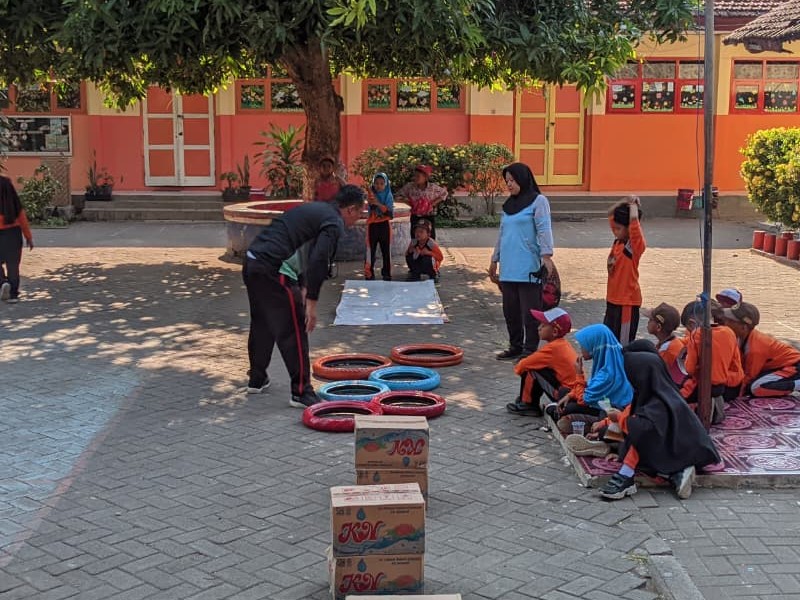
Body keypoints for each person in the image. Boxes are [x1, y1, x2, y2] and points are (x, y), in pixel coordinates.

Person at [243, 184, 366, 407]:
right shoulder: (334, 222)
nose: (359, 218)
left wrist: (302, 285)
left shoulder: (319, 210)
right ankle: (301, 392)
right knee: (294, 330)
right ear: (350, 209)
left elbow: (298, 245)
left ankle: (257, 379)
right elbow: (318, 259)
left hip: (253, 262)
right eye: (360, 212)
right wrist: (311, 304)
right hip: (274, 270)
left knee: (262, 322)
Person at [595, 347, 721, 501]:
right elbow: (633, 416)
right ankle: (675, 473)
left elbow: (642, 428)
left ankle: (626, 475)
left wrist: (619, 418)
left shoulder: (659, 402)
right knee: (622, 436)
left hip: (687, 451)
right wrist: (613, 420)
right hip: (668, 446)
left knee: (638, 432)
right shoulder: (652, 391)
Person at [488, 163, 554, 361]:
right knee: (510, 311)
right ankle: (515, 346)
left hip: (529, 266)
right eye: (507, 181)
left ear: (523, 179)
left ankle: (530, 348)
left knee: (530, 312)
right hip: (508, 266)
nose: (509, 184)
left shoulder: (538, 201)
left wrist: (546, 256)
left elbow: (544, 229)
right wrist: (494, 259)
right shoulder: (508, 206)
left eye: (512, 180)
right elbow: (502, 234)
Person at [550, 324, 633, 431]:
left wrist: (579, 374)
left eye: (583, 346)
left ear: (594, 347)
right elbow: (589, 388)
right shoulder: (607, 361)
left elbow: (583, 399)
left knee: (570, 408)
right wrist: (570, 395)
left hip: (610, 411)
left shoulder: (607, 373)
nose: (581, 350)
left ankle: (592, 424)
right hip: (602, 402)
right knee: (564, 392)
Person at [507, 308, 582, 416]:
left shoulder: (553, 348)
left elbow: (522, 366)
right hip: (573, 391)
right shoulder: (562, 344)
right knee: (538, 367)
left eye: (543, 325)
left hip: (566, 395)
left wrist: (520, 370)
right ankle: (526, 399)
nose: (539, 328)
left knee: (531, 369)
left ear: (554, 332)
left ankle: (528, 404)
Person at [679, 299, 743, 424]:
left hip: (704, 385)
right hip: (727, 385)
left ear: (691, 324)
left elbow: (689, 369)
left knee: (676, 393)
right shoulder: (729, 332)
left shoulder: (696, 334)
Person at [722, 302, 800, 398]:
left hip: (793, 367)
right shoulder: (741, 337)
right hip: (777, 366)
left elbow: (748, 377)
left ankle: (797, 384)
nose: (726, 323)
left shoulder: (755, 349)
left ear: (744, 327)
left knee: (756, 388)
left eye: (731, 321)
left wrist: (736, 395)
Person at [604, 196, 646, 344]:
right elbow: (610, 213)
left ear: (629, 229)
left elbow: (634, 222)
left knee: (623, 345)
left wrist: (633, 206)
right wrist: (625, 201)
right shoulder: (618, 242)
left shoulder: (634, 247)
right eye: (614, 228)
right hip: (612, 300)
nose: (615, 231)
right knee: (609, 341)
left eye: (618, 228)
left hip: (626, 303)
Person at [0, 176, 34, 304]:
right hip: (13, 233)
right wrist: (28, 237)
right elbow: (22, 217)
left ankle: (3, 282)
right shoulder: (13, 202)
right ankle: (13, 294)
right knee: (13, 265)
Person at [396, 165, 447, 239]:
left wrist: (432, 204)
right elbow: (398, 196)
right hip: (415, 216)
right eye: (415, 176)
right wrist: (408, 202)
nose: (415, 178)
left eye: (418, 176)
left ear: (425, 178)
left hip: (428, 215)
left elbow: (444, 193)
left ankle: (429, 246)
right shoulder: (410, 187)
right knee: (414, 236)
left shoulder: (432, 187)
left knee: (430, 237)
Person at [365, 172, 394, 281]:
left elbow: (390, 214)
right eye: (376, 183)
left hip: (384, 226)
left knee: (386, 251)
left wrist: (377, 203)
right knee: (370, 251)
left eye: (382, 183)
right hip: (372, 225)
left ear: (386, 184)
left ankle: (387, 273)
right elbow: (371, 208)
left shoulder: (389, 196)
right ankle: (369, 273)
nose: (379, 186)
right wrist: (372, 201)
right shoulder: (371, 194)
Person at [643, 302, 684, 369]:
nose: (648, 322)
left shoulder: (666, 351)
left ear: (658, 327)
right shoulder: (670, 342)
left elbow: (659, 372)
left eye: (650, 320)